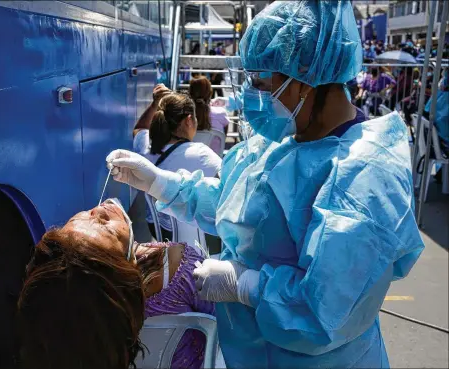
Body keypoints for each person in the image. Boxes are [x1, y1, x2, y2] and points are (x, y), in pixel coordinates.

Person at [107, 1, 424, 368]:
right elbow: (241, 207)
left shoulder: (364, 178)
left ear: (305, 78)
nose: (253, 94)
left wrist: (247, 286)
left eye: (262, 82)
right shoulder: (285, 137)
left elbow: (325, 313)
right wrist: (163, 184)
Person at [17, 199, 214, 369]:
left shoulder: (76, 331)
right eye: (106, 227)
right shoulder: (181, 267)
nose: (98, 210)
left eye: (80, 217)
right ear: (129, 268)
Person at [133, 87, 221, 241]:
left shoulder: (144, 146)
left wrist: (154, 104)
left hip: (158, 230)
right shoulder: (201, 154)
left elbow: (139, 129)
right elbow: (229, 185)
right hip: (194, 239)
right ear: (188, 121)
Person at [189, 77, 230, 154]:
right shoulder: (221, 113)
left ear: (190, 92)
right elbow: (223, 137)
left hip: (187, 162)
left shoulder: (184, 115)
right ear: (210, 93)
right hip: (215, 160)